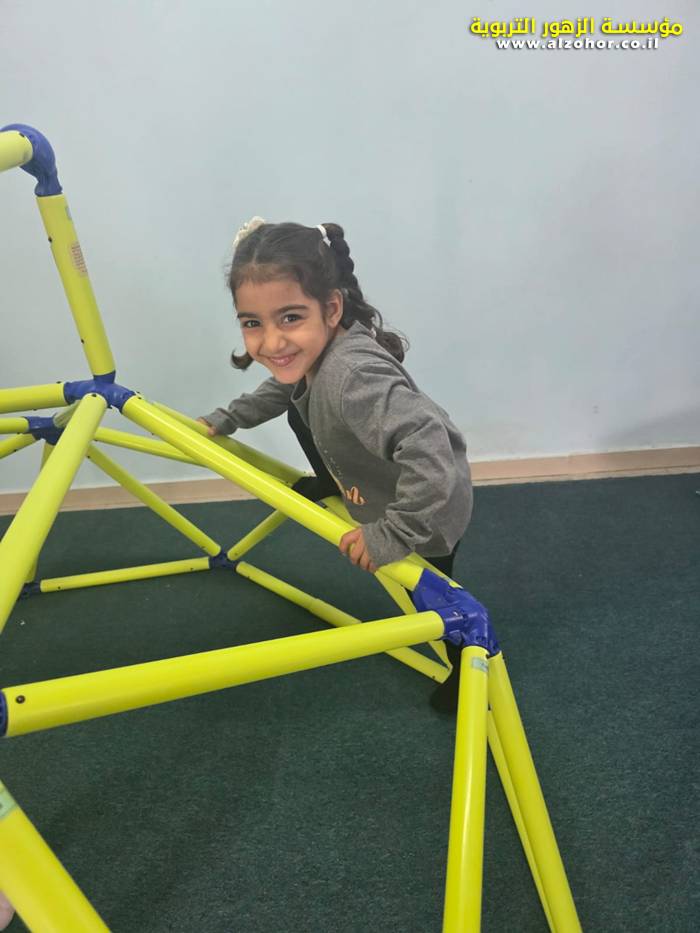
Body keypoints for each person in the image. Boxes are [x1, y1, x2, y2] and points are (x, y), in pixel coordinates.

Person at [199, 218, 473, 711]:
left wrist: (393, 532)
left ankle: (466, 667)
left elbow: (432, 452)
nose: (271, 343)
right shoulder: (317, 352)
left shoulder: (352, 376)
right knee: (300, 406)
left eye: (289, 318)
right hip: (380, 475)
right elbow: (281, 387)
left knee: (431, 593)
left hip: (428, 505)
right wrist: (227, 419)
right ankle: (331, 479)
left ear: (331, 309)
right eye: (252, 323)